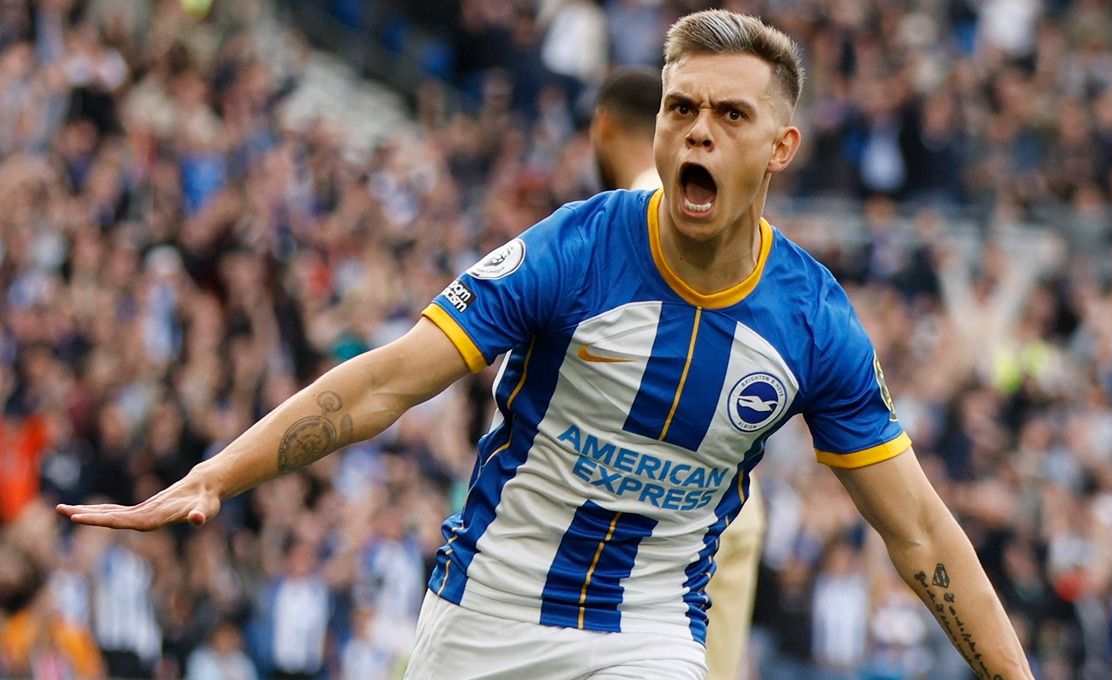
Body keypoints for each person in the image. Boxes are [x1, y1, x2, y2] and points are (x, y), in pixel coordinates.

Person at [58, 10, 1034, 679]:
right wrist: (218, 474)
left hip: (646, 632)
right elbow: (385, 384)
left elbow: (919, 533)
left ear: (779, 149)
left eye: (730, 114)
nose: (697, 133)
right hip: (484, 613)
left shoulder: (814, 324)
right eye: (679, 108)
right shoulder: (572, 252)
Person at [590, 65, 766, 680]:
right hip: (722, 503)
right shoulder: (715, 212)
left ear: (602, 125)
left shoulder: (640, 212)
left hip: (665, 514)